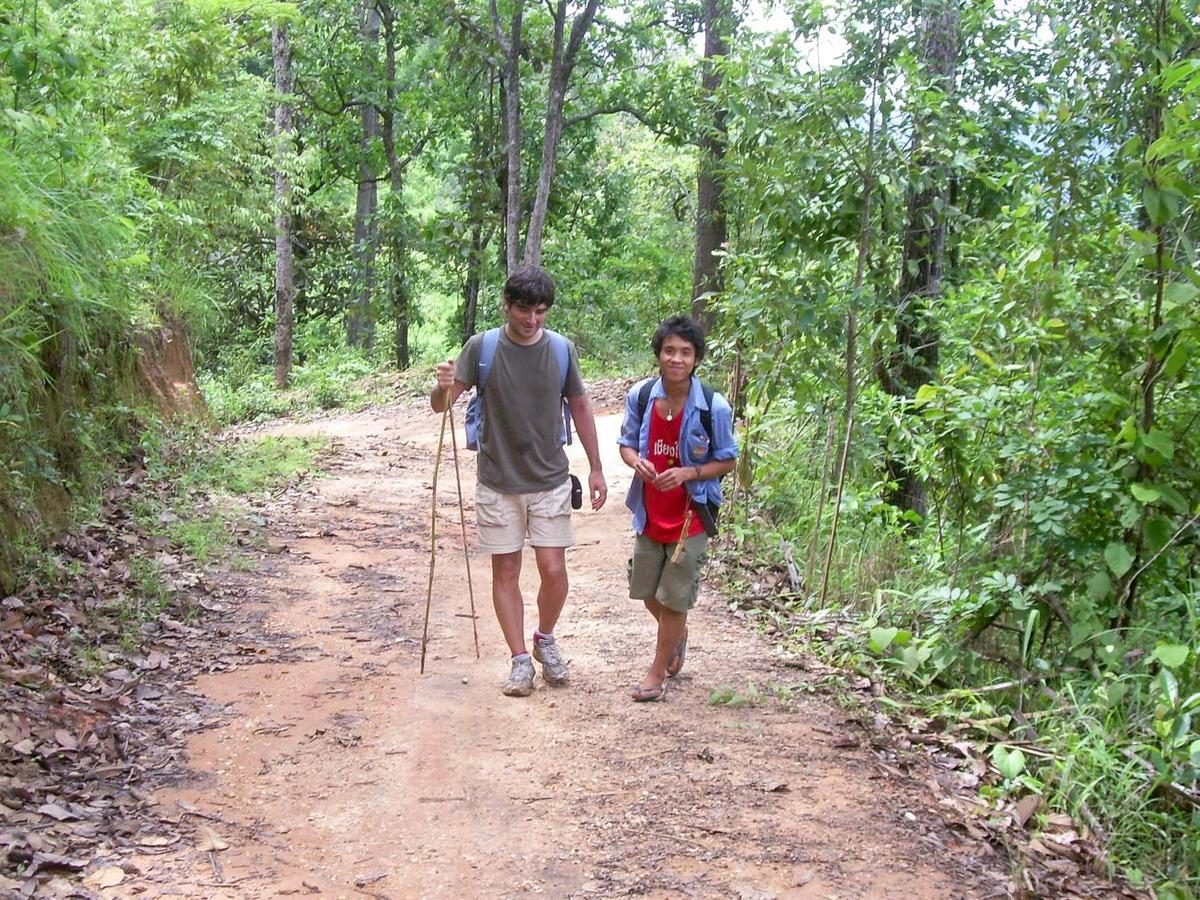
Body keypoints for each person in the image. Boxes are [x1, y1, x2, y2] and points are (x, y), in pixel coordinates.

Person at [431, 265, 607, 697]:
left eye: (541, 312)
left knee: (553, 569)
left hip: (549, 478)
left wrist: (597, 466)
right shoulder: (483, 348)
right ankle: (519, 661)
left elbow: (581, 407)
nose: (532, 320)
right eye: (524, 311)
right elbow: (442, 407)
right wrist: (442, 386)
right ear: (507, 306)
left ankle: (544, 638)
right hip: (497, 481)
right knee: (506, 569)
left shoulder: (562, 350)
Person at [617, 315, 737, 702]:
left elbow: (729, 460)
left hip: (692, 516)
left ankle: (656, 673)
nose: (677, 359)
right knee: (647, 591)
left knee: (673, 596)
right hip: (650, 511)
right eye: (669, 351)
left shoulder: (712, 406)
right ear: (658, 355)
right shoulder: (642, 395)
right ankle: (677, 633)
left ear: (697, 359)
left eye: (685, 352)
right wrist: (636, 461)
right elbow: (626, 443)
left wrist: (689, 473)